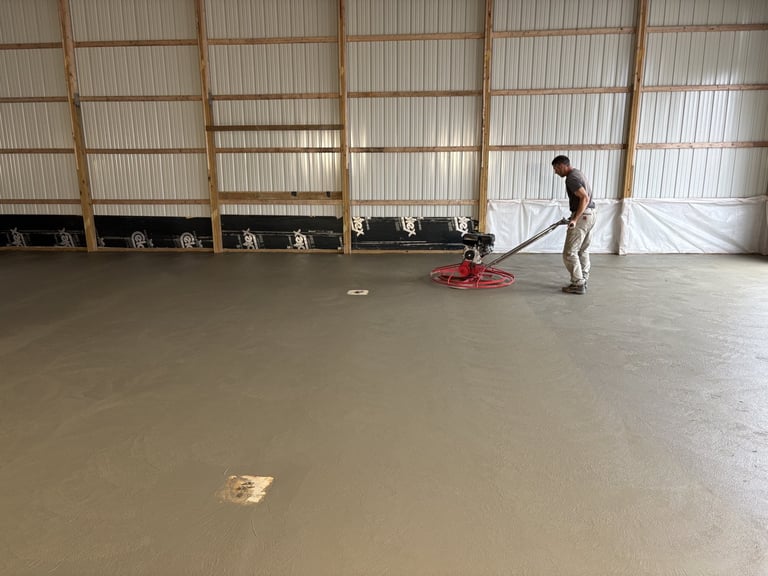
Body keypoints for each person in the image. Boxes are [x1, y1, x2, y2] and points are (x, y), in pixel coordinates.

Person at [551, 155, 596, 295]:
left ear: (562, 165)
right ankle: (583, 278)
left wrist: (575, 219)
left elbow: (584, 198)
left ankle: (578, 283)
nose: (556, 172)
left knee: (570, 252)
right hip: (591, 214)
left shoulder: (571, 178)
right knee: (582, 250)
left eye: (556, 168)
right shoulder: (578, 173)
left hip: (583, 216)